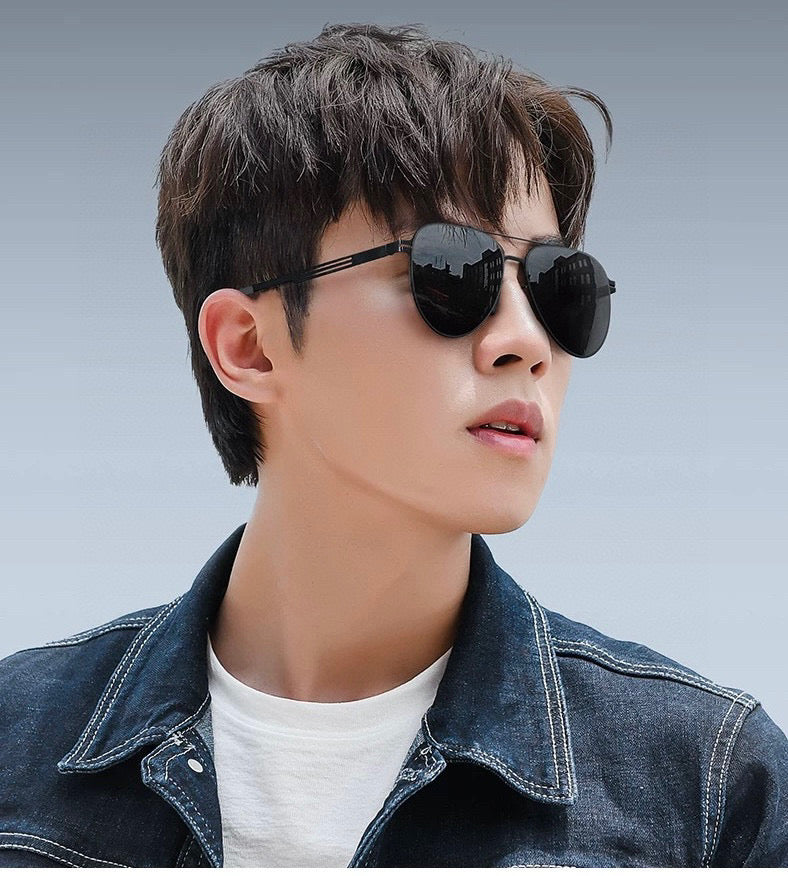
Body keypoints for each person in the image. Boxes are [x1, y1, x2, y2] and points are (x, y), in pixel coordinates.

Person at [0, 21, 785, 869]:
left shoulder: (710, 789)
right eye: (450, 271)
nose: (525, 341)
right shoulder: (18, 742)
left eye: (558, 285)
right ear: (249, 347)